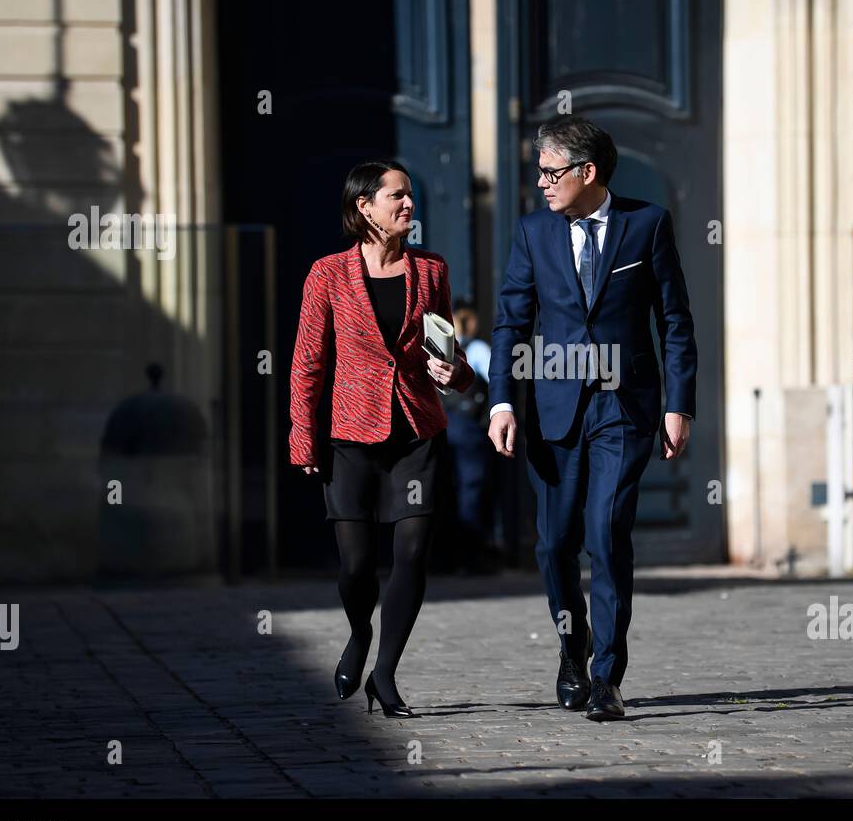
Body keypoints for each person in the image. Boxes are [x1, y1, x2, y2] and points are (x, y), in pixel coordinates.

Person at [487, 116, 697, 721]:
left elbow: (675, 321)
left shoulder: (647, 224)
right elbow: (510, 322)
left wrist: (677, 404)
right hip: (553, 409)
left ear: (588, 172)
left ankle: (606, 674)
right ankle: (570, 645)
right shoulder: (532, 232)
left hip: (624, 407)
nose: (542, 183)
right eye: (540, 172)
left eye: (553, 172)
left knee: (606, 536)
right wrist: (502, 401)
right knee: (554, 545)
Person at [289, 159, 474, 718]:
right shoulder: (327, 274)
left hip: (417, 432)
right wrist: (303, 436)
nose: (409, 205)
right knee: (355, 567)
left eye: (411, 195)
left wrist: (457, 375)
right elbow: (307, 364)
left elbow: (451, 353)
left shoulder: (432, 270)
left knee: (413, 553)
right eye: (397, 196)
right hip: (350, 435)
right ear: (364, 207)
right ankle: (358, 633)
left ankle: (386, 673)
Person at [439, 298, 496, 572]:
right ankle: (469, 557)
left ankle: (450, 557)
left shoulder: (437, 349)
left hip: (441, 427)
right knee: (470, 490)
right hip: (467, 430)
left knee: (449, 490)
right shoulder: (476, 349)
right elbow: (499, 377)